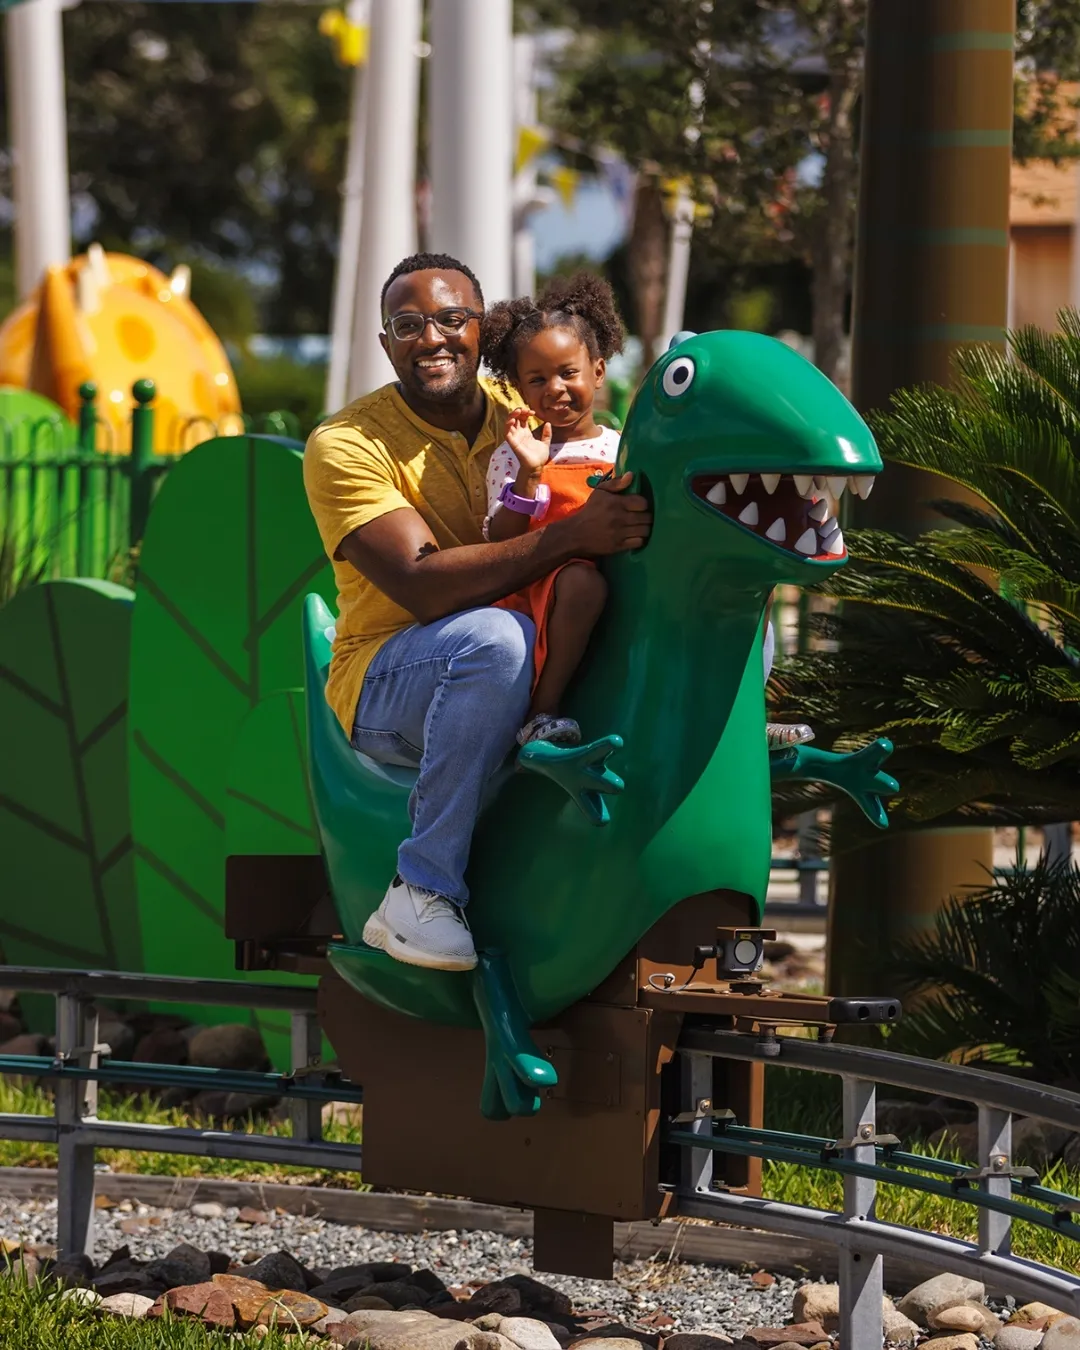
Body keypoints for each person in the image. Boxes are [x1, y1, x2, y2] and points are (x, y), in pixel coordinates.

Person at [302, 253, 652, 975]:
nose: (431, 338)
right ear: (386, 343)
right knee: (497, 638)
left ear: (481, 328)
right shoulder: (347, 444)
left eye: (451, 318)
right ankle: (420, 887)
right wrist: (572, 536)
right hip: (393, 673)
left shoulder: (530, 404)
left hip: (535, 645)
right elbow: (422, 587)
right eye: (407, 325)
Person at [480, 273, 623, 748]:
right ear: (518, 388)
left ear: (597, 372)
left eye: (568, 373)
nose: (555, 388)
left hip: (620, 579)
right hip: (545, 591)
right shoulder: (514, 455)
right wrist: (530, 472)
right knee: (582, 582)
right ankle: (542, 710)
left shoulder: (623, 449)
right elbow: (502, 540)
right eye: (537, 379)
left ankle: (739, 709)